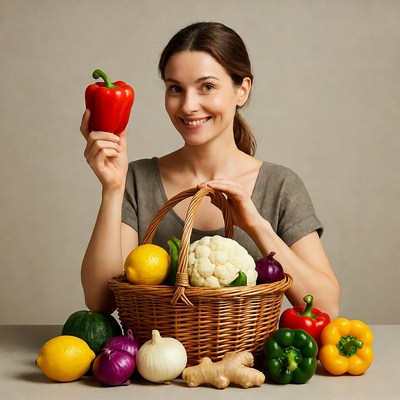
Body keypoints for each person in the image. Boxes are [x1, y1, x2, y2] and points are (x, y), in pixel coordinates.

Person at [80, 22, 340, 317]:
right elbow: (100, 301)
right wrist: (112, 188)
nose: (189, 105)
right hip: (156, 359)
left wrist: (256, 225)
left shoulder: (280, 185)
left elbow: (326, 307)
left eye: (207, 87)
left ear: (242, 90)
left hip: (248, 361)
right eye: (175, 88)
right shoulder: (138, 179)